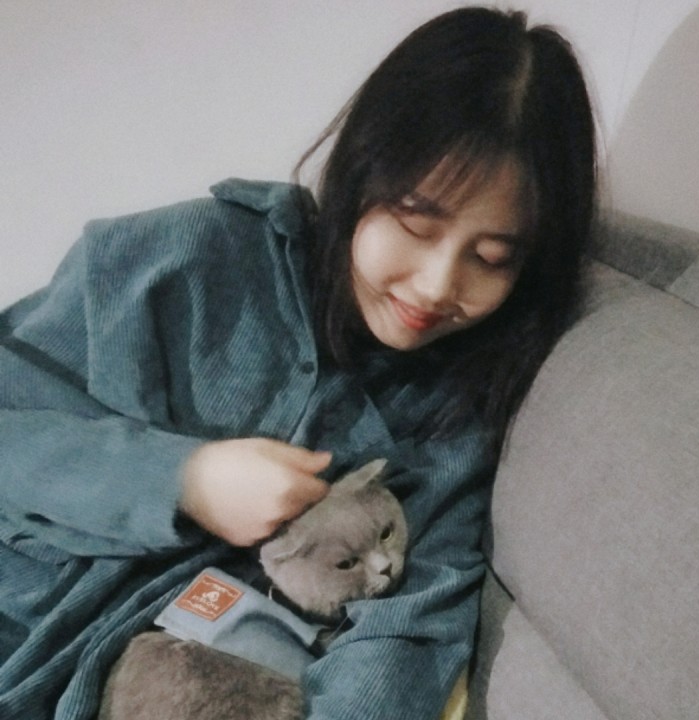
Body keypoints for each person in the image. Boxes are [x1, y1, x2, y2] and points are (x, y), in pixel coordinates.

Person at [0, 6, 596, 719]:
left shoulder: (456, 415)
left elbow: (409, 627)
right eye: (416, 223)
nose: (438, 285)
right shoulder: (184, 259)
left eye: (492, 258)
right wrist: (182, 480)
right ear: (360, 175)